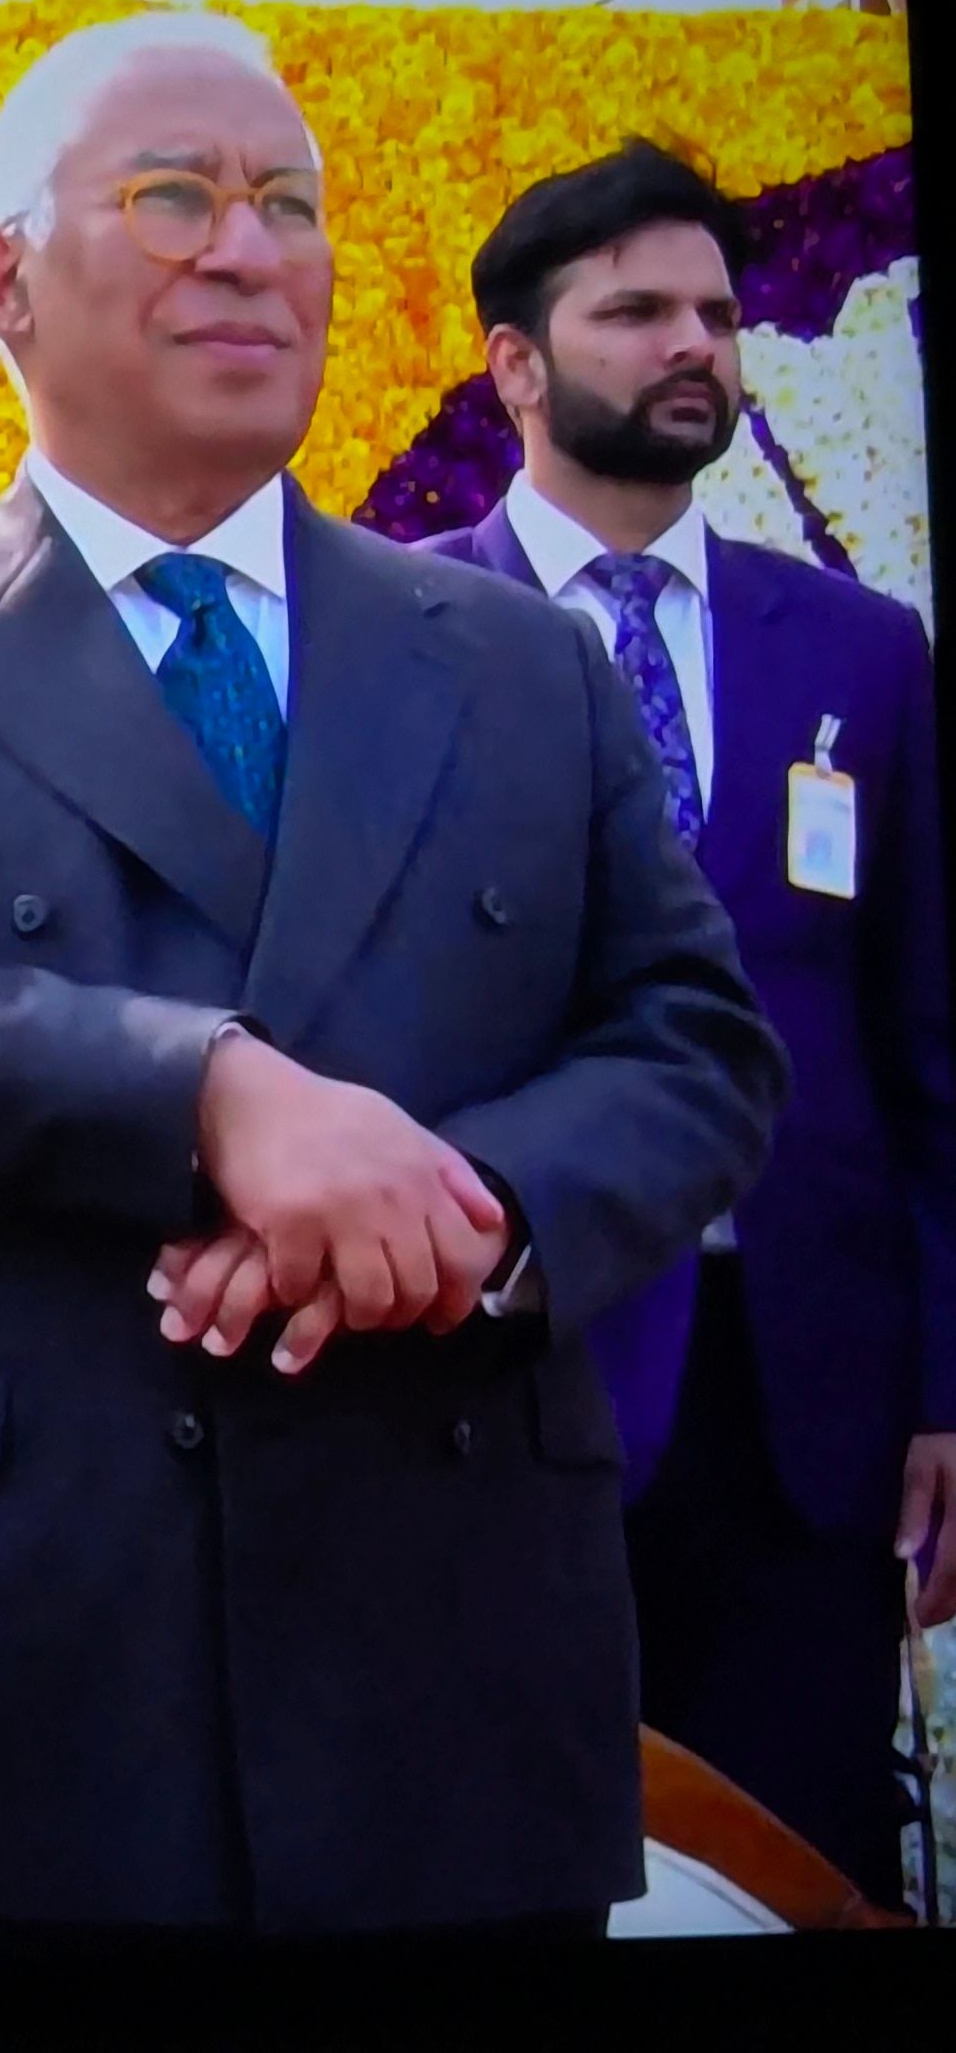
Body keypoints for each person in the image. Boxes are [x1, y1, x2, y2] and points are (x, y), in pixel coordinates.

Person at [0, 11, 786, 1956]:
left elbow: (698, 1044)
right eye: (177, 198)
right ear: (3, 281)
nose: (251, 251)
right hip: (17, 1680)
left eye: (290, 204)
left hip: (444, 1661)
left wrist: (465, 1210)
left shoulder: (520, 665)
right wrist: (208, 1095)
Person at [422, 140, 954, 1906]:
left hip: (808, 1397)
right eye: (637, 311)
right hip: (509, 1360)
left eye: (717, 316)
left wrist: (945, 1390)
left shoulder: (863, 655)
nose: (693, 348)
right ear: (517, 363)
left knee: (801, 1865)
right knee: (512, 1863)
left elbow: (923, 1044)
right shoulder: (393, 637)